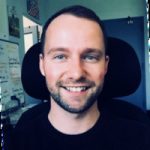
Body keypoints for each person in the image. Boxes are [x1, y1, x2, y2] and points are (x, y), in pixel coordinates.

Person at [11, 5, 150, 150]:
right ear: (42, 65)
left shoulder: (141, 138)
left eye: (90, 57)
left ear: (105, 65)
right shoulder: (18, 140)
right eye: (60, 56)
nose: (76, 74)